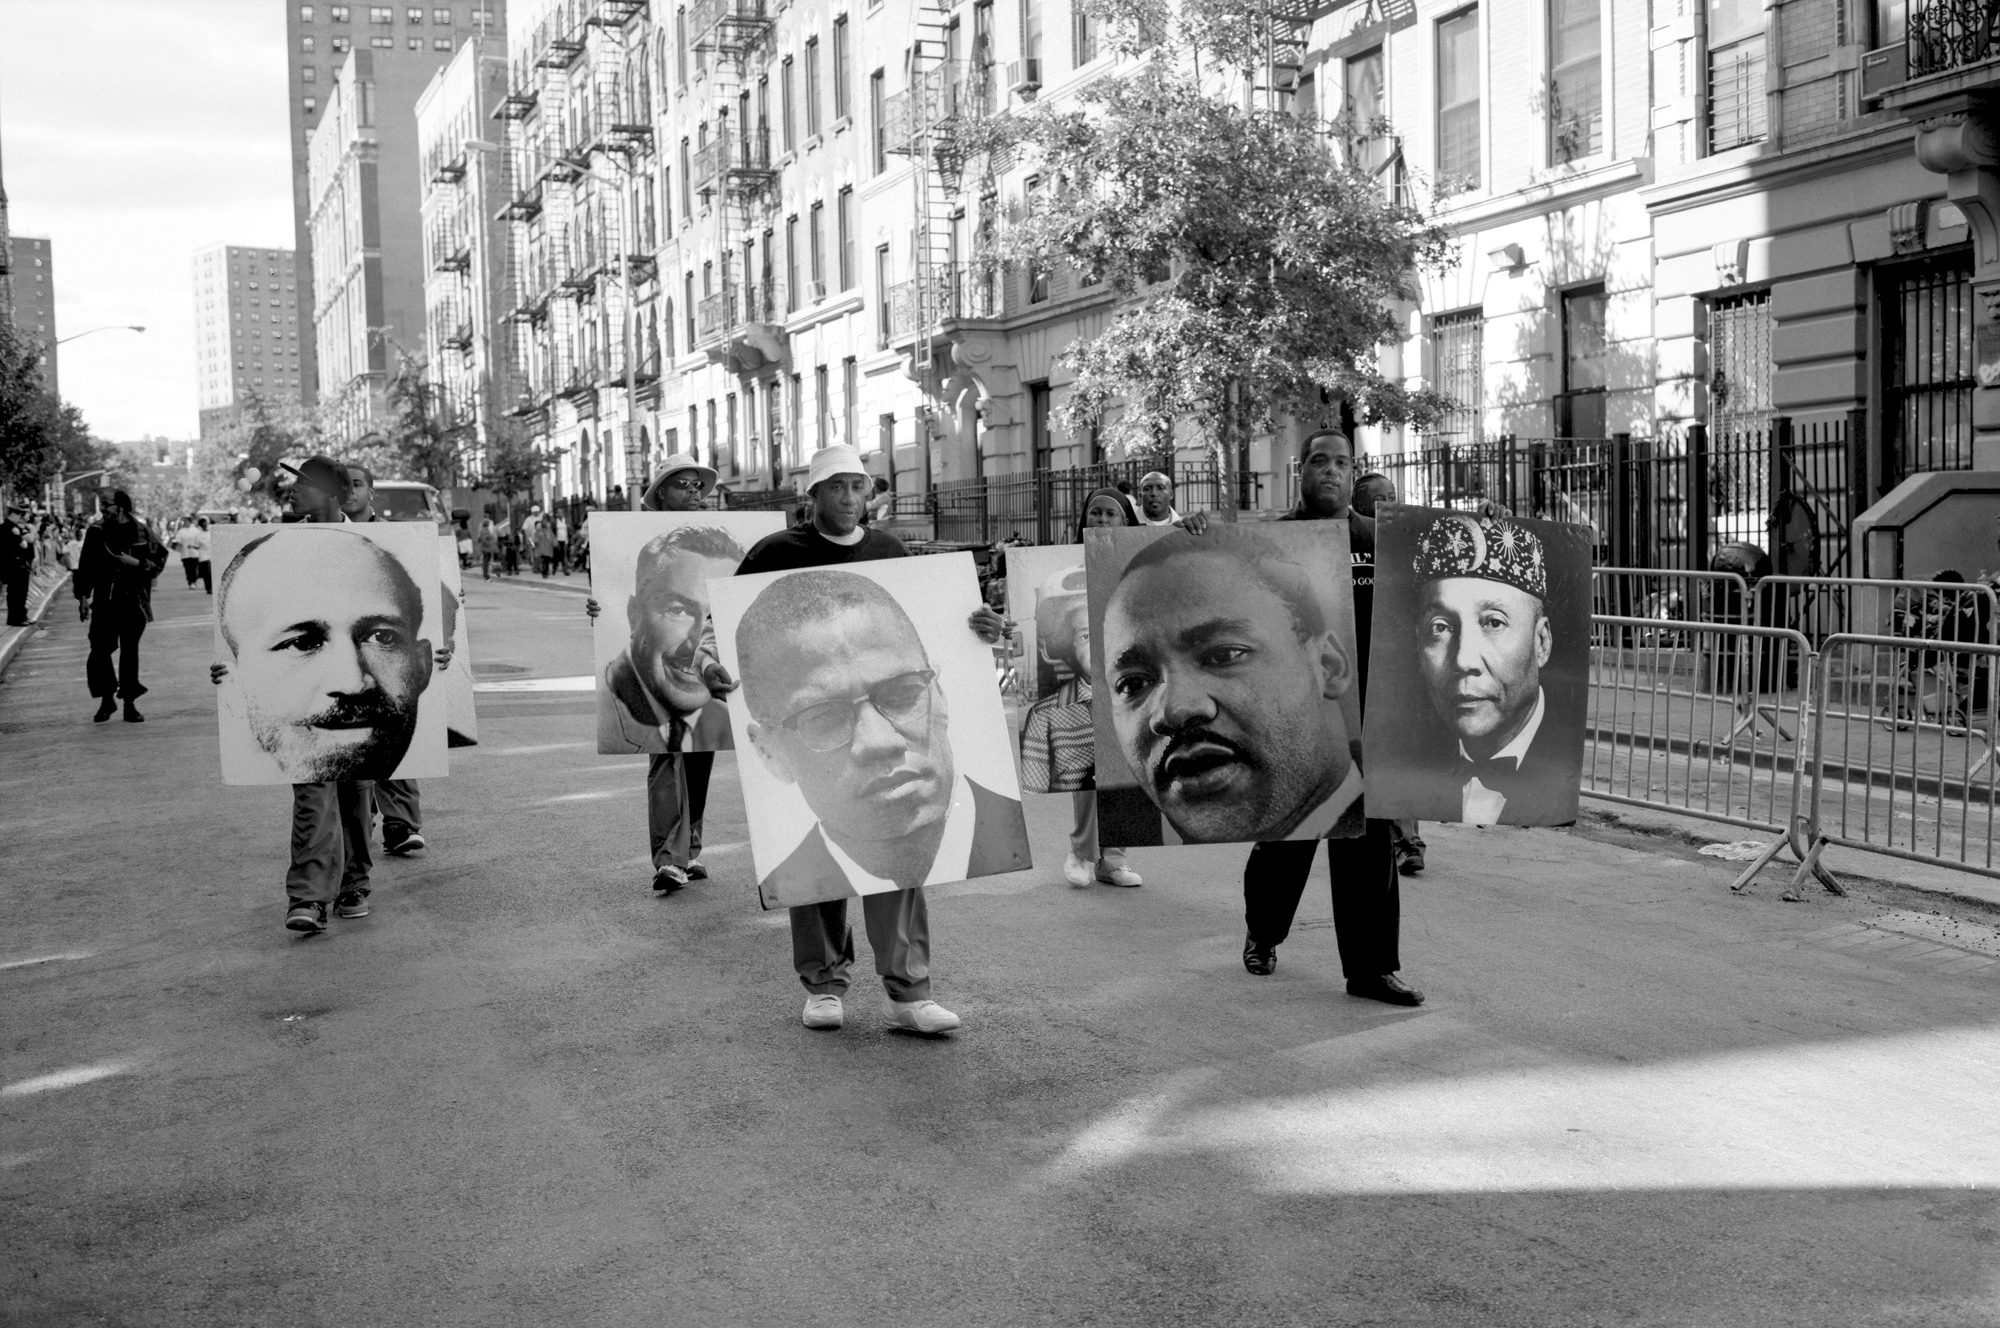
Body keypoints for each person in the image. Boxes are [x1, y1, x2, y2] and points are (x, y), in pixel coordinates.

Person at [735, 443, 1014, 1035]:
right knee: (820, 855)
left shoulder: (889, 551)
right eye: (834, 488)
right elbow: (723, 626)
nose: (847, 499)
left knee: (899, 848)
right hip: (806, 764)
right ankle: (823, 981)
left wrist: (983, 627)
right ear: (811, 497)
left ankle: (909, 992)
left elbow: (939, 617)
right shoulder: (773, 554)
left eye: (856, 487)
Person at [210, 456, 451, 935]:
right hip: (306, 708)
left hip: (368, 714)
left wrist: (443, 654)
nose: (292, 491)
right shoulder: (279, 548)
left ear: (332, 494)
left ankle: (354, 882)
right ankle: (309, 897)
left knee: (357, 792)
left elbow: (437, 611)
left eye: (303, 484)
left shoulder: (385, 544)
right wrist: (230, 664)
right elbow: (253, 627)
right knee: (313, 789)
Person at [1238, 428, 1423, 1007]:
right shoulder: (1270, 541)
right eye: (1320, 462)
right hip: (1296, 717)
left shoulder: (1382, 540)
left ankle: (1371, 969)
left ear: (1353, 473)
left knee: (1369, 849)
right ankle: (1263, 933)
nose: (1332, 472)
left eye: (1342, 463)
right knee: (1287, 842)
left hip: (1368, 719)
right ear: (1302, 471)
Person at [1099, 526, 1363, 845]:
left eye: (1224, 655)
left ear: (1328, 667)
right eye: (1133, 683)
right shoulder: (1122, 829)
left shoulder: (1387, 809)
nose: (1174, 709)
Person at [585, 454, 735, 893]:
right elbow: (612, 598)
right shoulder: (634, 540)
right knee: (667, 756)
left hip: (707, 671)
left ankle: (690, 848)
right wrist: (598, 607)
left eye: (697, 486)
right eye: (682, 484)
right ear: (660, 494)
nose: (693, 492)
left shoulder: (713, 545)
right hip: (664, 672)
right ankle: (668, 856)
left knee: (700, 753)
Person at [1406, 510, 1577, 825]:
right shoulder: (1406, 770)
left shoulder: (1560, 759)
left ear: (1541, 642)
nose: (1464, 661)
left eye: (1494, 622)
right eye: (1440, 628)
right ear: (1418, 645)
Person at [1024, 487, 1145, 888]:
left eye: (1112, 514)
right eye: (1095, 513)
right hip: (1090, 687)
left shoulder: (1141, 564)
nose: (1103, 520)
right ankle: (1081, 852)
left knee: (1126, 771)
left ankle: (1114, 858)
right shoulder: (1064, 571)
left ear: (1126, 522)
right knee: (1087, 771)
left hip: (1133, 684)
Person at [341, 463, 428, 855]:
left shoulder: (401, 539)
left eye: (357, 484)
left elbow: (428, 591)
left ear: (371, 492)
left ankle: (400, 822)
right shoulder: (315, 538)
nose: (350, 491)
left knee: (394, 720)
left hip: (386, 641)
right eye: (342, 486)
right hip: (341, 646)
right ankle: (362, 819)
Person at [1346, 471, 1424, 874]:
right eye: (1378, 499)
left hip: (1392, 667)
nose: (1388, 504)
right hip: (1348, 671)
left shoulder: (1406, 535)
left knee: (1395, 757)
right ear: (1358, 506)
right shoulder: (1338, 537)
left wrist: (1490, 519)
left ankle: (1409, 843)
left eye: (1392, 496)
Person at [77, 491, 167, 723]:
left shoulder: (142, 531)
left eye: (107, 505)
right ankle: (107, 699)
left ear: (121, 507)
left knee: (129, 653)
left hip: (134, 602)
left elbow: (159, 561)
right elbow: (85, 564)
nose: (103, 509)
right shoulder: (97, 530)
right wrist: (83, 597)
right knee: (99, 649)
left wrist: (136, 563)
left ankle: (129, 704)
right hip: (105, 601)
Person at [1, 501, 35, 626]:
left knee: (20, 592)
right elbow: (24, 544)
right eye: (19, 516)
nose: (20, 519)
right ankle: (16, 618)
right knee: (17, 594)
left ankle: (21, 616)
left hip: (15, 565)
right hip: (14, 566)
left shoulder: (7, 527)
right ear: (13, 515)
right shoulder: (11, 528)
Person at [183, 517, 213, 595]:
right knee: (207, 573)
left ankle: (213, 587)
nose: (205, 526)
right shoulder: (198, 535)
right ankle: (209, 588)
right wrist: (192, 546)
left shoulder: (211, 532)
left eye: (206, 524)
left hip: (212, 555)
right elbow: (197, 545)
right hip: (203, 556)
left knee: (212, 572)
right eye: (203, 524)